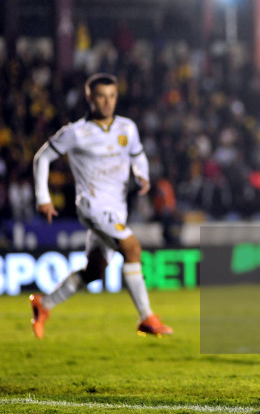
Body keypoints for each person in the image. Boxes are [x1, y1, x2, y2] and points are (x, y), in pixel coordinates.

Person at [30, 73, 172, 338]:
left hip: (117, 209)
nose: (107, 102)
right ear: (89, 97)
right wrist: (43, 198)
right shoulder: (75, 132)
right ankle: (147, 317)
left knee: (94, 271)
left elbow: (138, 155)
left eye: (112, 96)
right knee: (132, 248)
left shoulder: (127, 128)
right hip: (92, 206)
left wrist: (142, 174)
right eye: (101, 96)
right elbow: (42, 158)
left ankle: (44, 304)